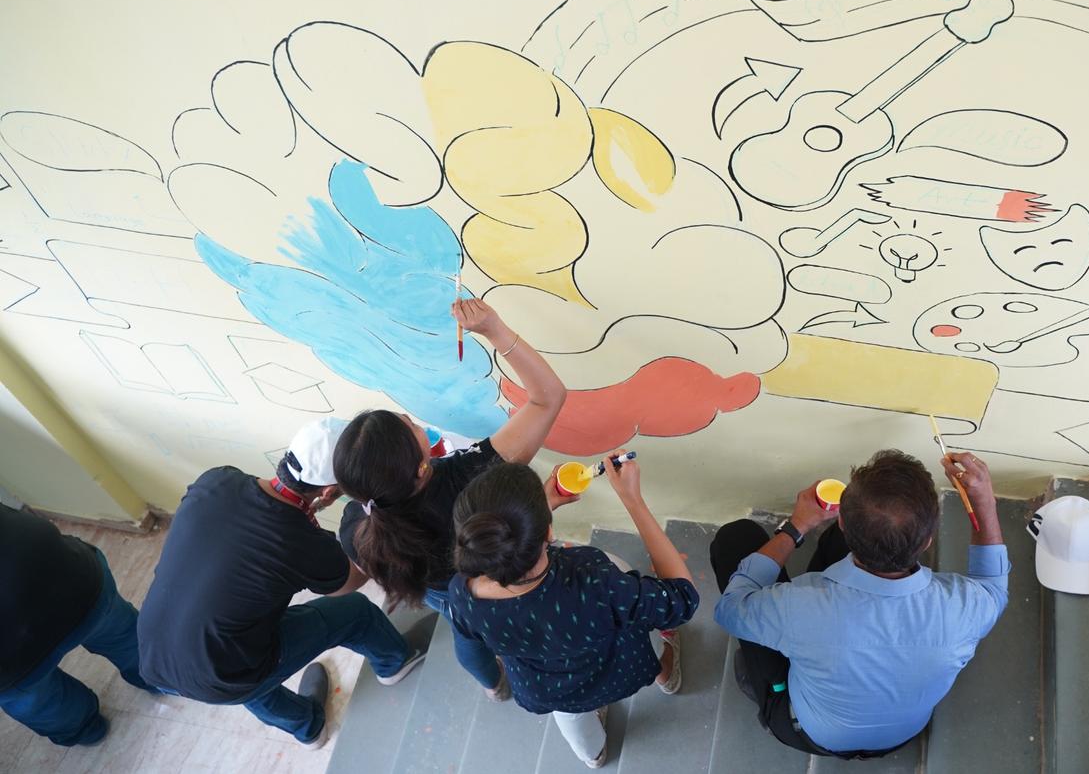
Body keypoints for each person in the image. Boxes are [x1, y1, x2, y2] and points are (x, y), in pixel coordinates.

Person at [332, 297, 566, 701]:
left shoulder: (357, 524)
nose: (411, 419)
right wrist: (494, 329)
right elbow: (548, 397)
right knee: (520, 621)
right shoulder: (469, 475)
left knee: (467, 631)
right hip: (494, 574)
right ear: (422, 468)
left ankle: (493, 685)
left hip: (443, 592)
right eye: (410, 426)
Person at [136, 427, 428, 749]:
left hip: (154, 652)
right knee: (355, 612)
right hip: (226, 669)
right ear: (329, 492)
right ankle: (394, 662)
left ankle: (307, 726)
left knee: (237, 668)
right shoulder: (296, 540)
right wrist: (375, 531)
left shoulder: (217, 480)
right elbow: (349, 581)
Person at [711, 450, 1009, 759]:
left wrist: (795, 527)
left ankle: (766, 691)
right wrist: (985, 503)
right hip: (900, 735)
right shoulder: (966, 608)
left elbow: (731, 609)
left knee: (736, 538)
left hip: (808, 732)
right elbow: (993, 587)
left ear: (841, 520)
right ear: (927, 540)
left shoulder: (798, 606)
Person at [449, 452, 697, 769]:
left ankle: (593, 756)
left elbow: (474, 641)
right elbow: (683, 599)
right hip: (620, 670)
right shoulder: (592, 577)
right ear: (549, 533)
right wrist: (633, 500)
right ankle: (666, 676)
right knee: (644, 634)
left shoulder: (462, 594)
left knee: (571, 719)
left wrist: (539, 514)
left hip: (545, 688)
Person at [1, 504, 158, 746]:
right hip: (73, 577)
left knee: (39, 700)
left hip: (13, 661)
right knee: (122, 634)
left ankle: (87, 730)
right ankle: (155, 675)